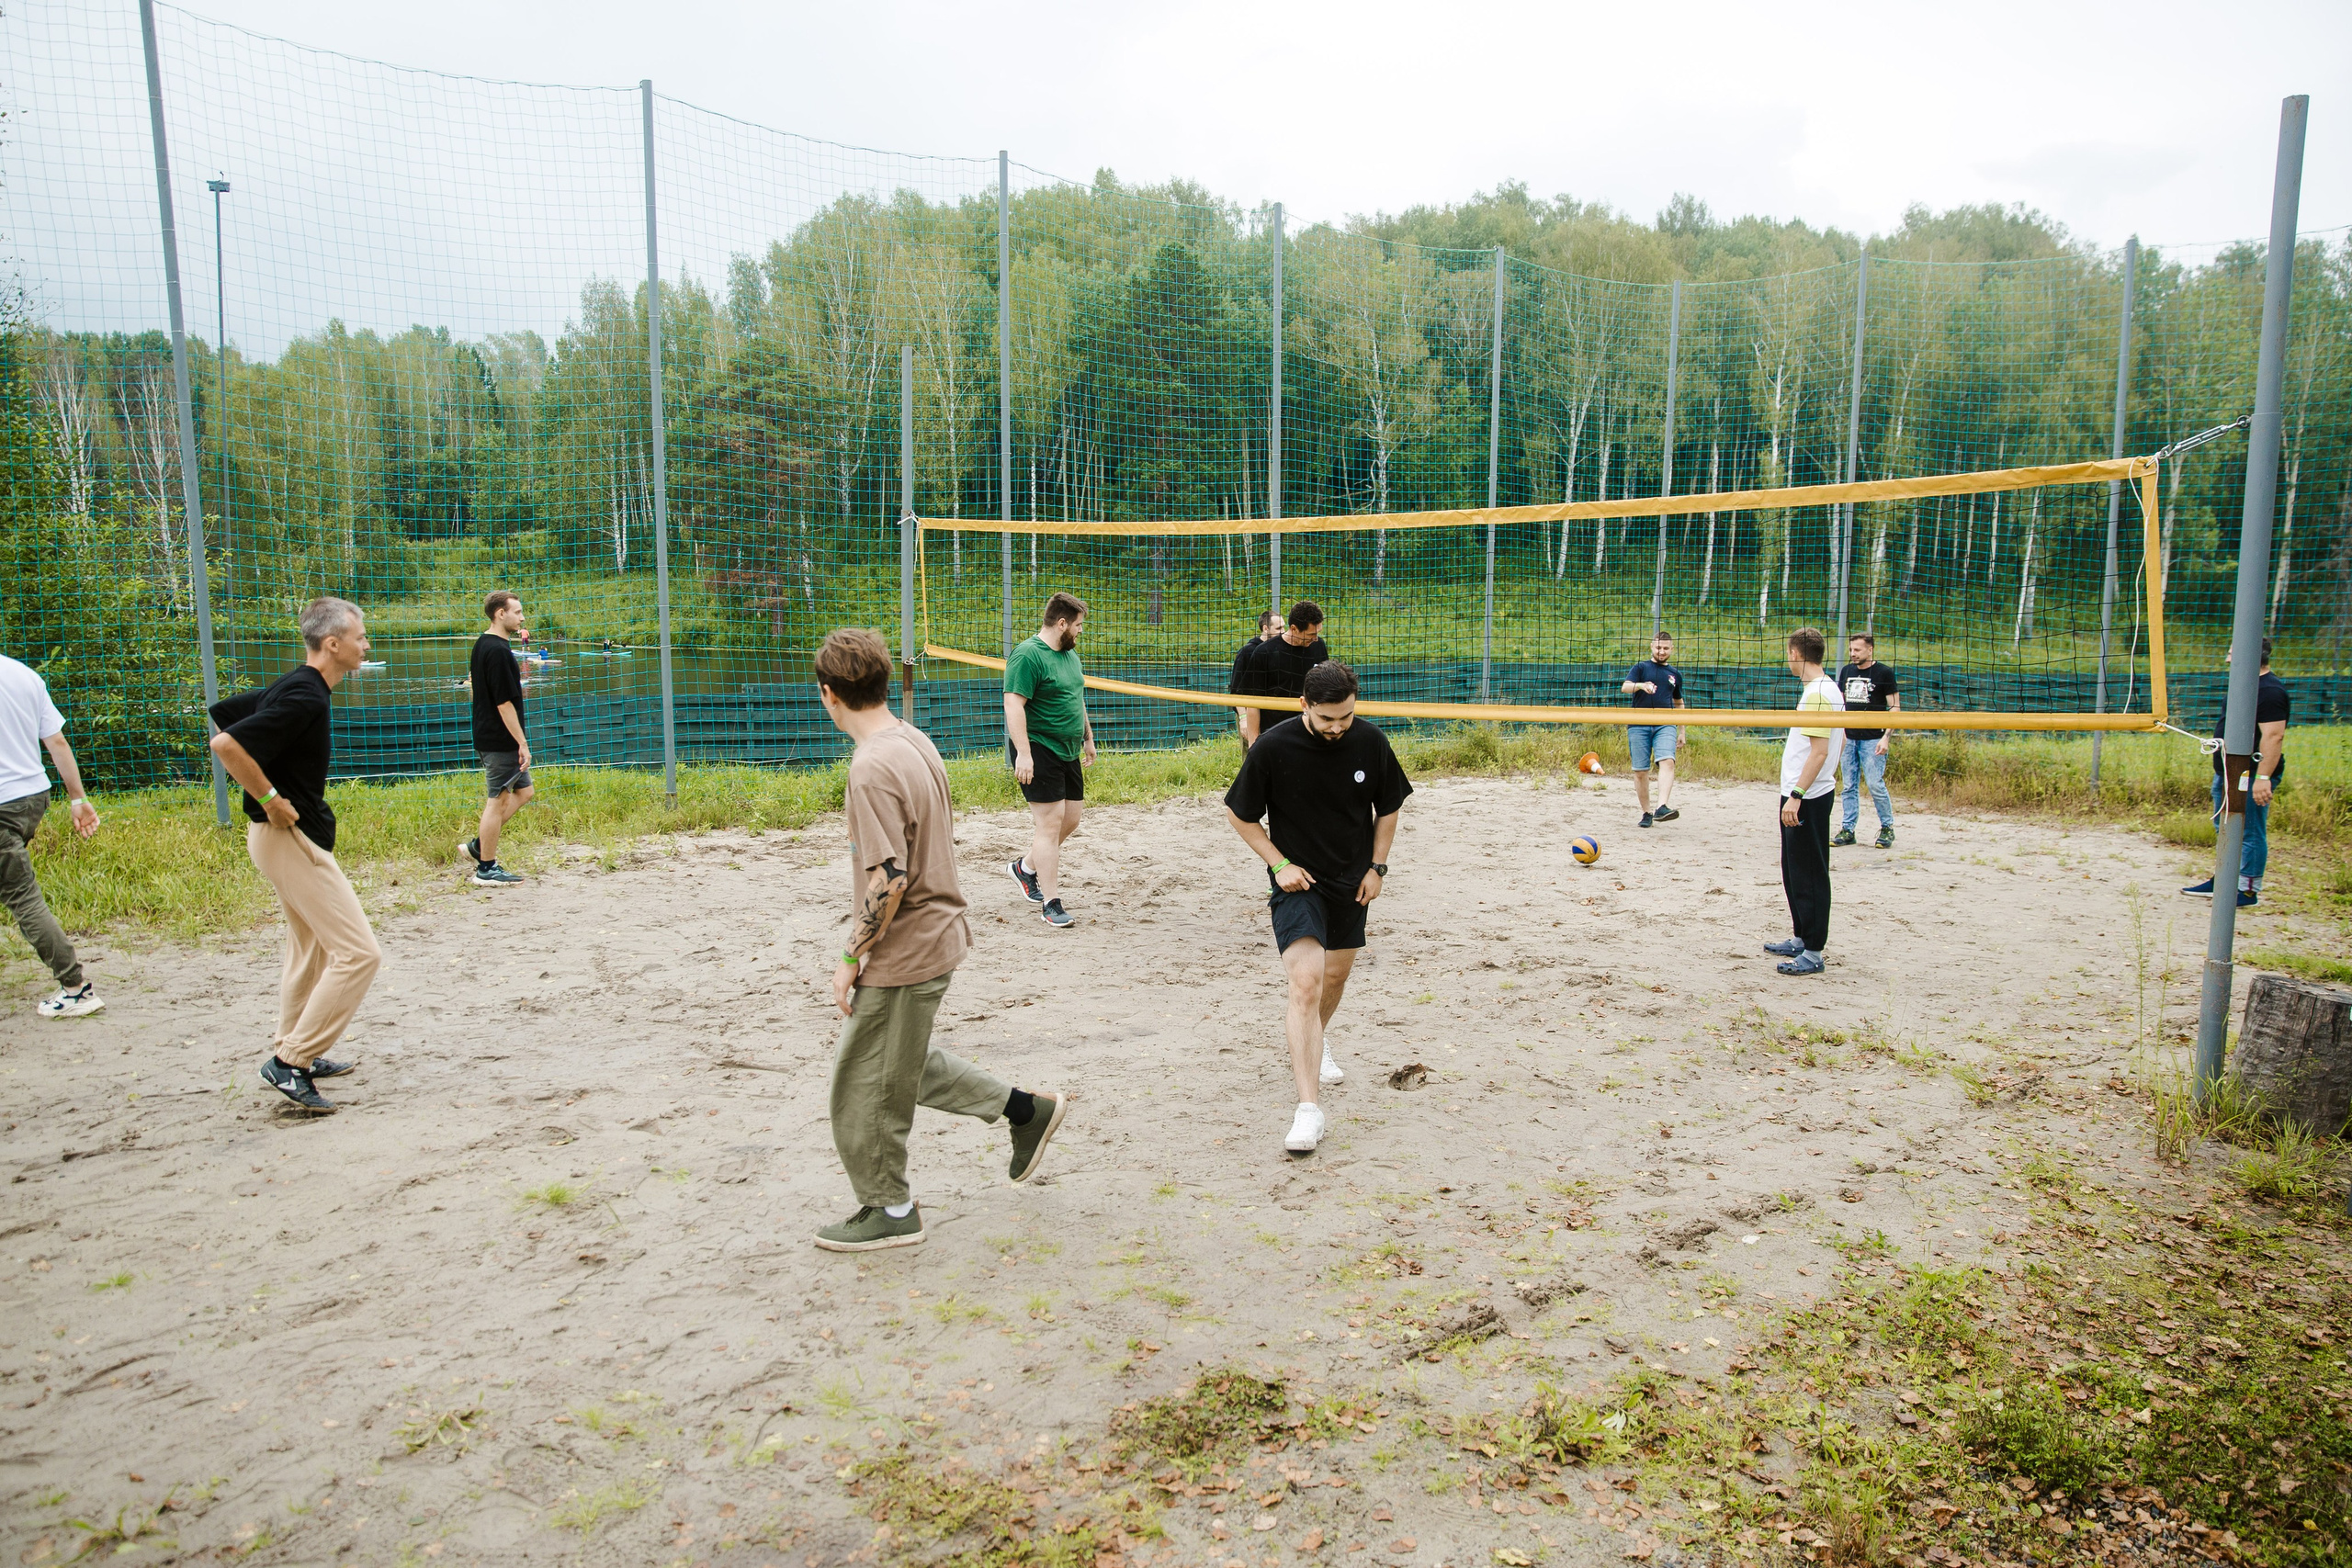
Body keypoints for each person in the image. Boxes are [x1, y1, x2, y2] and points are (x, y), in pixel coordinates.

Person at [816, 627, 1067, 1252]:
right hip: (939, 933)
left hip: (910, 947)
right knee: (904, 1066)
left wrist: (852, 956)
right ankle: (1025, 1112)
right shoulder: (911, 738)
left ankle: (891, 1206)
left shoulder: (871, 766)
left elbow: (890, 877)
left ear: (829, 695)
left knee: (862, 1083)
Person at [1225, 660, 1411, 1155]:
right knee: (1305, 984)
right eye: (1327, 718)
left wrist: (1377, 868)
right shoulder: (1273, 746)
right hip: (1297, 883)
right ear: (1304, 705)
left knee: (1334, 979)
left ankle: (1314, 1040)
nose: (1337, 727)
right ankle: (1308, 1110)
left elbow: (1388, 807)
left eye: (1345, 717)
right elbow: (1239, 815)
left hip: (1353, 882)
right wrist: (1277, 862)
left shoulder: (1370, 741)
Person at [208, 598, 383, 1113]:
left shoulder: (298, 684)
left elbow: (227, 710)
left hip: (280, 838)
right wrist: (269, 797)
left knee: (311, 949)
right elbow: (227, 742)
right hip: (287, 838)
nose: (366, 644)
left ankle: (296, 1044)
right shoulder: (306, 696)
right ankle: (291, 1063)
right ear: (333, 644)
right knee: (359, 954)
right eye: (361, 636)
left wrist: (271, 786)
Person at [0, 653, 104, 1019]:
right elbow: (56, 741)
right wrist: (78, 797)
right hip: (31, 797)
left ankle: (75, 987)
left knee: (21, 896)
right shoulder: (22, 674)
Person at [1004, 592, 1095, 930]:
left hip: (1067, 747)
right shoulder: (1028, 655)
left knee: (1071, 819)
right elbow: (1013, 705)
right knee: (1050, 824)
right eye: (1078, 625)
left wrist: (1088, 737)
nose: (1081, 631)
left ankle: (1025, 867)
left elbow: (1077, 695)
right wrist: (1024, 753)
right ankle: (1051, 903)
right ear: (1062, 624)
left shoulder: (1069, 655)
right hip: (1039, 747)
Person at [2184, 638, 2289, 910]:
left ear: (2250, 656)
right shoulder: (2243, 685)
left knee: (2249, 830)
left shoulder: (2271, 691)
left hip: (2251, 774)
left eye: (2232, 653)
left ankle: (2247, 890)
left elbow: (2274, 736)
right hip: (2229, 769)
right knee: (2226, 827)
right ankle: (2226, 879)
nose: (2228, 659)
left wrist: (2262, 778)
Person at [1763, 627, 1844, 978]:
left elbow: (1820, 752)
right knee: (1793, 869)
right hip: (1804, 791)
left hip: (1807, 795)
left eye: (1788, 653)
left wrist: (1796, 795)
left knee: (1809, 872)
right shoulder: (1820, 689)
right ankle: (1801, 936)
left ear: (1796, 654)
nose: (1787, 659)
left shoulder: (1820, 694)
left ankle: (1813, 951)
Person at [458, 590, 533, 886]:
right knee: (496, 800)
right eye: (517, 612)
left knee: (524, 793)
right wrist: (521, 743)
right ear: (500, 613)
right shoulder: (499, 651)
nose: (522, 617)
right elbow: (504, 703)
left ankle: (479, 845)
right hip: (500, 739)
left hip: (492, 734)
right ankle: (486, 868)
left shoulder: (484, 644)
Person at [1832, 634, 1900, 849]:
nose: (1853, 654)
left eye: (1857, 650)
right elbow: (1841, 704)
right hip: (1849, 737)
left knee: (1874, 784)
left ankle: (1887, 828)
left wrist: (1886, 737)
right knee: (1849, 786)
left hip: (1873, 739)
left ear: (1870, 650)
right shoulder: (1846, 671)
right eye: (1851, 649)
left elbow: (1895, 708)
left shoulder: (1884, 673)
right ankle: (1848, 829)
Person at [1235, 602, 1330, 749]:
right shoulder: (1264, 652)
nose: (1316, 638)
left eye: (1318, 633)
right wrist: (1254, 745)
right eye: (1311, 634)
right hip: (1275, 735)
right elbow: (1253, 703)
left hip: (1310, 734)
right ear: (1294, 629)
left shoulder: (1318, 646)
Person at [1621, 630, 1686, 828]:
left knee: (1667, 760)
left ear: (1672, 649)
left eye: (1666, 648)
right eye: (1658, 647)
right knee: (1641, 771)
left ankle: (1662, 807)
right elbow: (1625, 687)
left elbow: (1679, 702)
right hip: (1638, 724)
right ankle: (1646, 813)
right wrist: (1641, 686)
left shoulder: (1674, 674)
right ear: (1652, 646)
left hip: (1665, 723)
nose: (1662, 651)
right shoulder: (1641, 667)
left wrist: (1682, 730)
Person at [1228, 609, 1283, 746]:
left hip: (1271, 716)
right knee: (1250, 758)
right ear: (1265, 628)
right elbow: (1236, 691)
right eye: (1279, 628)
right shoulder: (1248, 651)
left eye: (1284, 626)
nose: (1283, 631)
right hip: (1249, 713)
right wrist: (1243, 718)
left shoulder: (1280, 649)